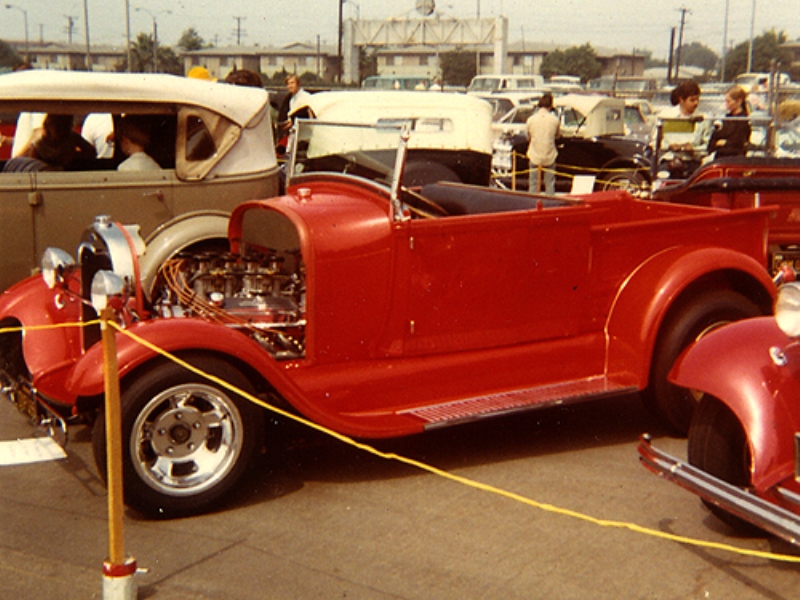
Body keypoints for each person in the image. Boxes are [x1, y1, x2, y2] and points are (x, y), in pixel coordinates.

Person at [659, 80, 707, 177]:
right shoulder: (666, 116)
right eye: (692, 100)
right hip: (669, 161)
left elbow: (707, 146)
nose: (696, 103)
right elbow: (655, 143)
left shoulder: (703, 119)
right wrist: (669, 147)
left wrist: (693, 150)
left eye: (697, 100)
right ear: (681, 99)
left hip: (692, 163)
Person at [18, 114, 96, 170]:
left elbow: (92, 152)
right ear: (48, 125)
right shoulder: (39, 144)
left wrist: (75, 156)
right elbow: (32, 167)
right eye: (57, 125)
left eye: (64, 125)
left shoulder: (72, 138)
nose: (61, 129)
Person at [525, 92, 560, 195]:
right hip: (550, 155)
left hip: (534, 155)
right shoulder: (555, 120)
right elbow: (557, 135)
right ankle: (550, 206)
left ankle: (533, 205)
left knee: (533, 183)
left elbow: (528, 136)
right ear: (550, 105)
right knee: (550, 183)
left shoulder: (530, 120)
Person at [707, 85, 751, 159]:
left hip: (734, 158)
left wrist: (725, 142)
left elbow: (738, 141)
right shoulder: (726, 117)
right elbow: (715, 137)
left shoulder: (743, 120)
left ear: (739, 101)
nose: (726, 104)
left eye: (728, 101)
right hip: (720, 156)